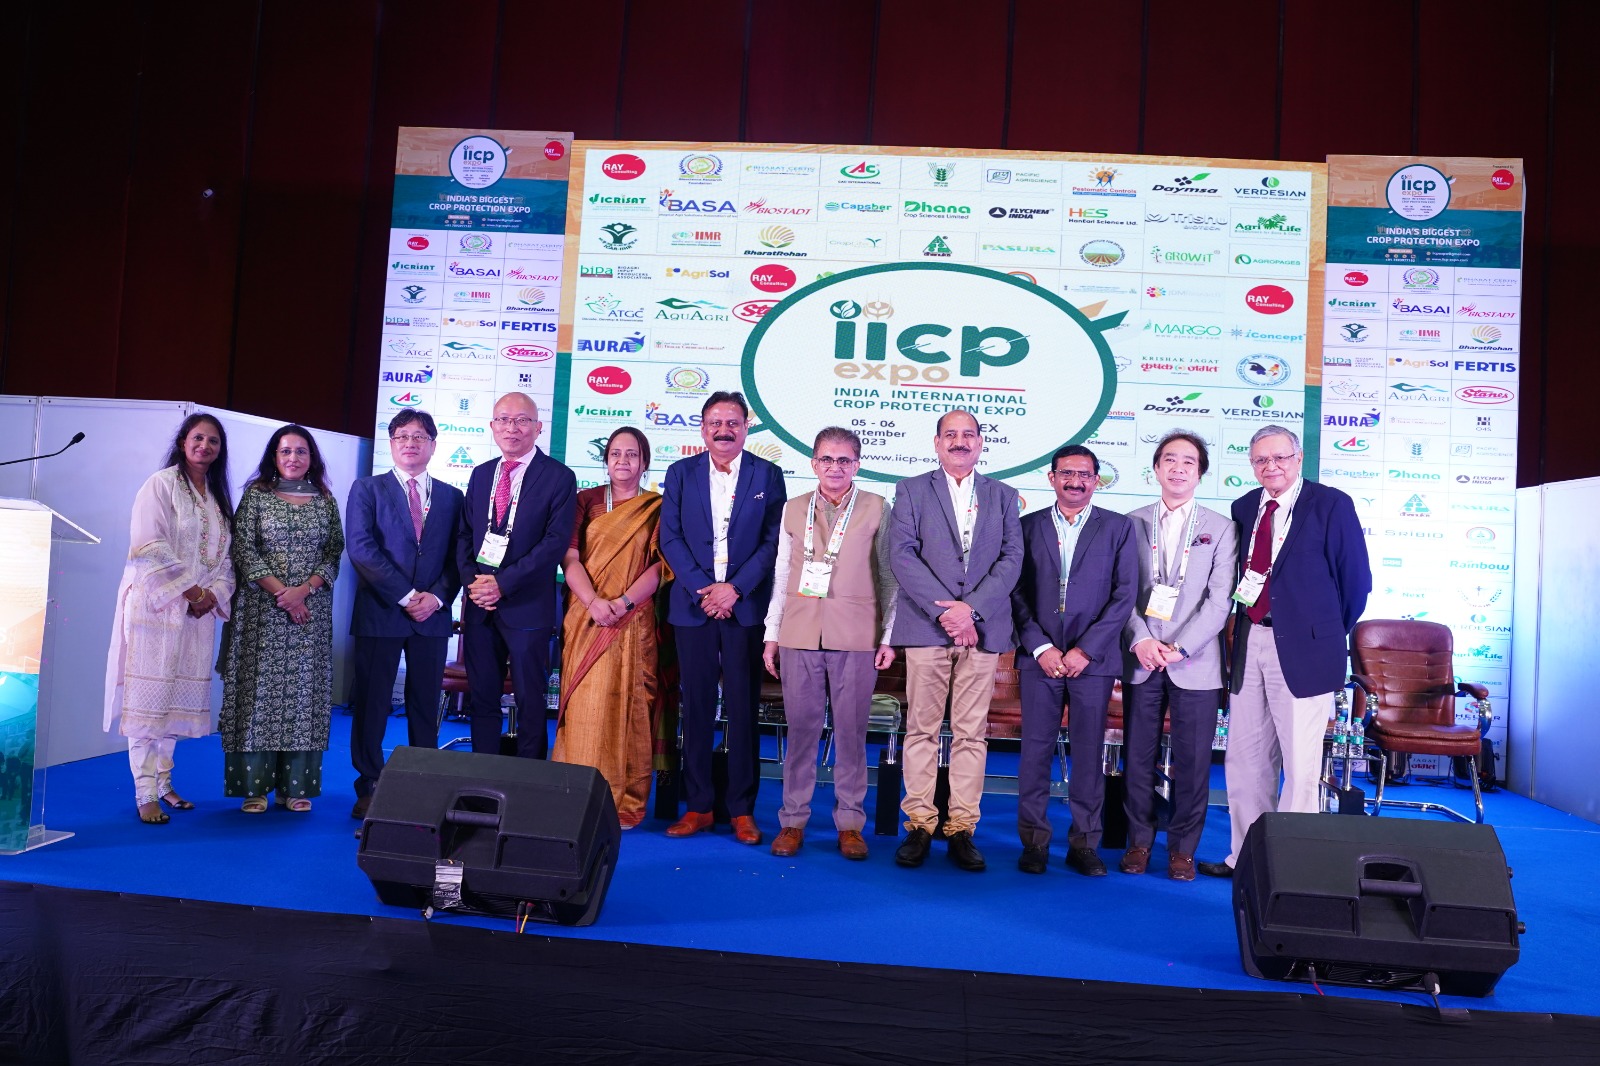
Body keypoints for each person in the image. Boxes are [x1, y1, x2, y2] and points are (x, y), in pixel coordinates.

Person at [1199, 424, 1371, 878]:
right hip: (1249, 640)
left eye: (1279, 458)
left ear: (1298, 459)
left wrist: (1320, 634)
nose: (1270, 466)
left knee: (1300, 763)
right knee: (1245, 759)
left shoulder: (1331, 504)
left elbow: (1356, 583)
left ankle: (1293, 865)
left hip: (1305, 649)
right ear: (1251, 464)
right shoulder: (1243, 507)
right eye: (1261, 460)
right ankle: (1245, 857)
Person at [888, 409, 1022, 872]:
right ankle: (919, 825)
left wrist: (971, 611)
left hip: (982, 630)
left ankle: (962, 826)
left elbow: (1012, 558)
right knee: (921, 730)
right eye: (951, 435)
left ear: (981, 442)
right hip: (928, 627)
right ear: (936, 442)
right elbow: (902, 555)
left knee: (971, 733)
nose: (959, 442)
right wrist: (948, 613)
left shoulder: (1003, 495)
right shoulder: (910, 490)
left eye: (968, 434)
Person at [762, 427, 897, 861]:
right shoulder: (793, 508)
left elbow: (890, 578)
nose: (834, 467)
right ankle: (793, 820)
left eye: (843, 460)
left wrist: (888, 636)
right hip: (799, 633)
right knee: (801, 732)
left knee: (852, 734)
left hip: (857, 635)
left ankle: (850, 823)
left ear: (856, 464)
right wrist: (772, 634)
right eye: (826, 459)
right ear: (813, 463)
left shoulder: (878, 507)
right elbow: (782, 574)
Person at [659, 391, 786, 844]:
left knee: (743, 708)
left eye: (733, 422)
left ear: (746, 427)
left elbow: (773, 542)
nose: (724, 430)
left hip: (743, 606)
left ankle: (741, 809)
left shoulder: (767, 474)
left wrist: (734, 589)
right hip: (693, 607)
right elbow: (670, 537)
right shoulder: (680, 472)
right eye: (715, 422)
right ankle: (698, 805)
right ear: (702, 428)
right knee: (694, 707)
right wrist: (704, 589)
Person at [1011, 445, 1137, 876]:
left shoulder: (1118, 527)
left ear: (1096, 480)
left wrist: (1086, 650)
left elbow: (1124, 595)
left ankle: (1084, 843)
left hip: (1093, 661)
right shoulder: (1026, 526)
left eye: (1085, 474)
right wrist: (1040, 647)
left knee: (1088, 753)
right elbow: (1015, 592)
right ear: (1051, 478)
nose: (1076, 481)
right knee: (1034, 752)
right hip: (1039, 658)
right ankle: (1034, 842)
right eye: (1067, 473)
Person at [104, 413, 236, 824]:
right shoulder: (161, 484)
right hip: (156, 609)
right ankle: (145, 791)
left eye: (213, 441)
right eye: (198, 438)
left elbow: (227, 560)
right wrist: (193, 591)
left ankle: (164, 782)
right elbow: (148, 544)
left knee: (174, 704)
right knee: (149, 704)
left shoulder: (217, 498)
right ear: (183, 442)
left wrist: (211, 595)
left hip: (196, 615)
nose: (205, 446)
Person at [1120, 431, 1237, 880]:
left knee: (1193, 763)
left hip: (1196, 661)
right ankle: (1138, 842)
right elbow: (1121, 593)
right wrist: (1141, 640)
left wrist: (1182, 647)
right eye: (1169, 460)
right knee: (1137, 757)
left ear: (1200, 472)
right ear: (1155, 468)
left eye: (1189, 461)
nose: (1178, 468)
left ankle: (1183, 850)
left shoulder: (1221, 527)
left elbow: (1220, 600)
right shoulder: (1129, 523)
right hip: (1143, 658)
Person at [344, 408, 464, 819]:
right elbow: (361, 548)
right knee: (372, 702)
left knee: (425, 702)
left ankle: (423, 783)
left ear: (433, 445)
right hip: (382, 611)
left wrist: (437, 598)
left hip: (433, 615)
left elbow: (459, 556)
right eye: (402, 436)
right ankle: (369, 784)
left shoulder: (452, 496)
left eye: (419, 437)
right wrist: (408, 595)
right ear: (392, 443)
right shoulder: (367, 489)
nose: (410, 443)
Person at [220, 424, 344, 813]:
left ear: (312, 458)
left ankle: (294, 788)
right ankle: (254, 788)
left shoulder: (325, 500)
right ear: (274, 456)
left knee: (303, 698)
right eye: (285, 451)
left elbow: (334, 553)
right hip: (261, 614)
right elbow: (244, 549)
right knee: (257, 696)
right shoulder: (256, 496)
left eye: (301, 451)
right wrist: (284, 595)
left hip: (310, 616)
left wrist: (303, 591)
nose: (293, 457)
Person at [554, 426, 667, 829]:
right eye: (616, 453)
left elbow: (660, 566)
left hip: (632, 621)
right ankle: (572, 797)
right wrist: (594, 603)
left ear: (644, 462)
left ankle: (624, 801)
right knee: (585, 705)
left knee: (630, 704)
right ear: (605, 460)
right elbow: (569, 558)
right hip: (587, 617)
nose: (623, 460)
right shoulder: (584, 501)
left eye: (632, 454)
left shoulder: (657, 507)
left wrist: (622, 603)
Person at [457, 393, 577, 759]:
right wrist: (474, 585)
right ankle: (482, 775)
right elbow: (465, 535)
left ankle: (529, 778)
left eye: (522, 420)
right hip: (480, 605)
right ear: (492, 427)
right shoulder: (481, 474)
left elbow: (554, 543)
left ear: (538, 428)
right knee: (482, 698)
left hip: (527, 606)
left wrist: (502, 584)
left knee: (530, 700)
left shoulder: (558, 477)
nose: (512, 427)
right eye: (504, 420)